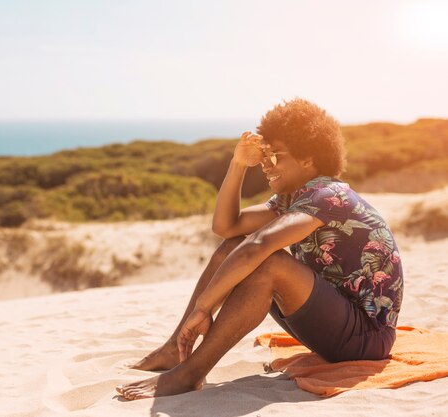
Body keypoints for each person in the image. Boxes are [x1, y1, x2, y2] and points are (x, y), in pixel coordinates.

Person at [116, 98, 404, 400]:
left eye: (275, 156)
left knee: (268, 263)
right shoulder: (294, 199)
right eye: (264, 157)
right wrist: (238, 164)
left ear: (308, 158)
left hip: (365, 338)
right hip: (332, 322)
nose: (265, 165)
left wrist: (204, 308)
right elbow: (228, 227)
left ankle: (190, 373)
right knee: (234, 247)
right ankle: (176, 348)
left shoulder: (329, 196)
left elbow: (260, 246)